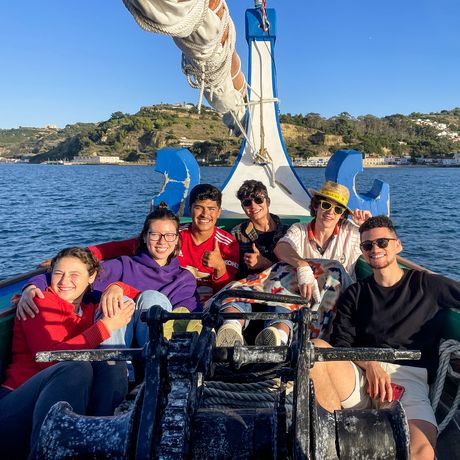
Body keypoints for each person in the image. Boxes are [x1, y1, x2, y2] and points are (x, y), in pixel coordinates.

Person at [309, 216, 460, 460]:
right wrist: (369, 364)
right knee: (316, 351)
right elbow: (340, 346)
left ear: (397, 245)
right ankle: (334, 440)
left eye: (382, 242)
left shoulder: (429, 285)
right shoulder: (356, 294)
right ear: (362, 251)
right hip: (362, 375)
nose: (375, 249)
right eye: (368, 246)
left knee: (421, 451)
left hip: (408, 378)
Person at [0, 247, 134, 459]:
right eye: (58, 273)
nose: (64, 282)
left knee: (111, 362)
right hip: (14, 408)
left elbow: (136, 293)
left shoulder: (91, 306)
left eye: (74, 275)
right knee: (75, 367)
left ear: (91, 278)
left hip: (59, 405)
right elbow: (50, 360)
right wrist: (104, 328)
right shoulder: (38, 302)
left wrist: (116, 288)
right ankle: (48, 454)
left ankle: (100, 438)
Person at [17, 207, 200, 342]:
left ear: (177, 240)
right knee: (121, 303)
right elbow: (71, 278)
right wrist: (32, 286)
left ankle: (154, 369)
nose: (162, 242)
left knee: (153, 299)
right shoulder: (122, 266)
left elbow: (187, 315)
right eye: (155, 235)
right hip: (118, 344)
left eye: (169, 235)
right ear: (144, 237)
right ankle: (118, 372)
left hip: (158, 347)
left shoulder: (184, 279)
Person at [50, 184, 240, 307]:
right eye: (199, 207)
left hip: (201, 301)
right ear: (190, 210)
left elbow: (225, 289)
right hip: (165, 297)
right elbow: (119, 247)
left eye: (211, 209)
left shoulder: (227, 244)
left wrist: (220, 267)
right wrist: (76, 258)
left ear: (218, 212)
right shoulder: (171, 234)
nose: (205, 214)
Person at [274, 180, 371, 300]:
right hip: (304, 297)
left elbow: (380, 247)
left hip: (341, 300)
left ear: (342, 215)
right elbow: (281, 247)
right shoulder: (299, 230)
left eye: (338, 210)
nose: (330, 212)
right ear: (316, 206)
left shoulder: (352, 232)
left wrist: (368, 227)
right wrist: (302, 265)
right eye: (326, 205)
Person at [231, 180, 289, 280]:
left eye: (258, 200)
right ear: (243, 207)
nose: (253, 206)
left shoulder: (288, 233)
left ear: (268, 201)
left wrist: (264, 264)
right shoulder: (237, 234)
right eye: (247, 202)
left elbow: (293, 270)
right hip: (249, 288)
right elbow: (233, 270)